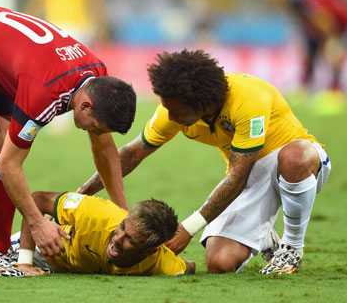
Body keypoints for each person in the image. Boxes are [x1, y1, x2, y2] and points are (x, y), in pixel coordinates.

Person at [0, 6, 136, 277]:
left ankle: (0, 250)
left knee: (5, 139)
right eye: (97, 128)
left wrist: (122, 212)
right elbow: (9, 165)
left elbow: (104, 148)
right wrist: (37, 223)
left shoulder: (99, 79)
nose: (97, 134)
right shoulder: (45, 94)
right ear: (86, 106)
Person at [78, 49, 331, 274]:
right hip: (250, 177)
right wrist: (82, 193)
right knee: (219, 263)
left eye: (177, 111)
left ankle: (291, 248)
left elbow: (237, 175)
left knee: (293, 157)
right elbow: (132, 154)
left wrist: (188, 227)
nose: (171, 116)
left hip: (302, 164)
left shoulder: (248, 98)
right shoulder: (172, 112)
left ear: (200, 101)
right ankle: (265, 237)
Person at [0, 191, 196, 277]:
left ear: (150, 250)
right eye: (122, 228)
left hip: (65, 268)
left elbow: (190, 267)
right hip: (47, 248)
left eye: (130, 240)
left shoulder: (162, 263)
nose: (118, 238)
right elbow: (35, 200)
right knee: (4, 268)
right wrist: (25, 261)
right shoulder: (95, 212)